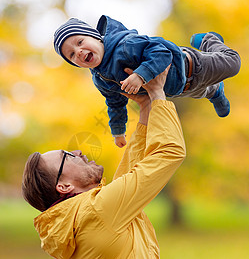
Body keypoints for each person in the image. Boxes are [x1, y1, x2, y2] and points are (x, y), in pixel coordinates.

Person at [22, 66, 186, 258]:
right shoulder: (97, 211)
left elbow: (130, 172)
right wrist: (158, 93)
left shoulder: (80, 218)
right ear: (64, 186)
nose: (78, 151)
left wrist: (146, 106)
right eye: (67, 156)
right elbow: (169, 152)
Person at [53, 15, 241, 148]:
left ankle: (208, 40)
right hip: (181, 89)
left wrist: (140, 75)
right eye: (71, 55)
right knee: (205, 91)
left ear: (95, 37)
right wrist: (118, 130)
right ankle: (216, 92)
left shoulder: (126, 45)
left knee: (233, 64)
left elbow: (161, 52)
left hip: (193, 65)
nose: (78, 51)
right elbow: (115, 103)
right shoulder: (101, 79)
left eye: (79, 42)